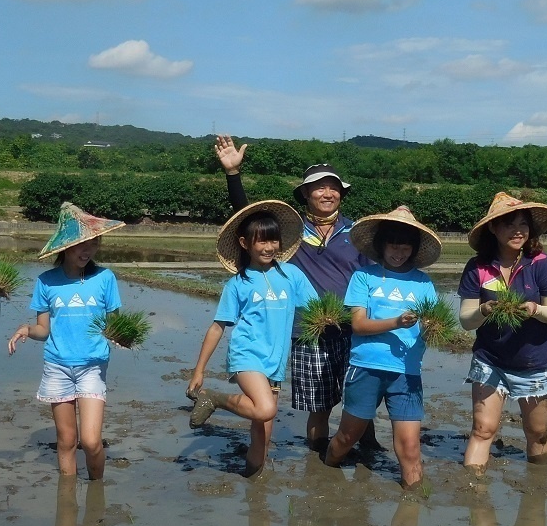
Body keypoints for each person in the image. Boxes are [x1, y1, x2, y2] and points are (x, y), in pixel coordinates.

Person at [214, 136, 373, 452]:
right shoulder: (290, 235)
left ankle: (367, 447)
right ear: (305, 194)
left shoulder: (355, 233)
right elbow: (249, 220)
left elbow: (371, 281)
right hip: (308, 332)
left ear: (342, 193)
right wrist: (233, 174)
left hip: (352, 329)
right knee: (321, 405)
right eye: (319, 187)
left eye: (334, 187)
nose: (327, 193)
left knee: (360, 397)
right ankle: (317, 458)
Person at [187, 200, 317, 477]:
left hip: (276, 362)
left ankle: (253, 485)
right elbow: (217, 327)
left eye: (273, 240)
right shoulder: (238, 283)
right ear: (245, 243)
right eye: (261, 241)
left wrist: (335, 321)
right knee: (266, 409)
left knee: (263, 436)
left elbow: (318, 308)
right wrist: (199, 370)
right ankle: (215, 398)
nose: (269, 247)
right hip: (247, 356)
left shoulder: (292, 275)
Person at [323, 206, 441, 489]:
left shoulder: (423, 283)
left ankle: (412, 507)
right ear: (381, 245)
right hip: (366, 367)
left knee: (410, 448)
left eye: (405, 246)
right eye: (393, 245)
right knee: (346, 438)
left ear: (413, 249)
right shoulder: (364, 277)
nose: (398, 252)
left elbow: (432, 324)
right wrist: (397, 322)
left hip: (406, 372)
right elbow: (360, 325)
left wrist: (434, 328)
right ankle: (324, 473)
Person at [8, 203, 126, 481]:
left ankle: (97, 488)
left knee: (92, 441)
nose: (86, 251)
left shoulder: (105, 278)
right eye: (79, 245)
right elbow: (43, 330)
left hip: (92, 366)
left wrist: (122, 336)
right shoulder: (47, 282)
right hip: (57, 367)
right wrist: (26, 329)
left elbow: (115, 324)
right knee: (66, 441)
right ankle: (68, 499)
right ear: (64, 247)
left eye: (92, 243)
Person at [457, 192, 547, 471]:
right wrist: (483, 310)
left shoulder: (541, 263)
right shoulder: (477, 267)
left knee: (537, 433)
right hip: (490, 360)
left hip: (533, 362)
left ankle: (537, 495)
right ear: (493, 228)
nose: (518, 231)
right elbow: (466, 321)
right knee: (482, 429)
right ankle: (472, 492)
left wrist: (534, 309)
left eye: (523, 225)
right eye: (508, 224)